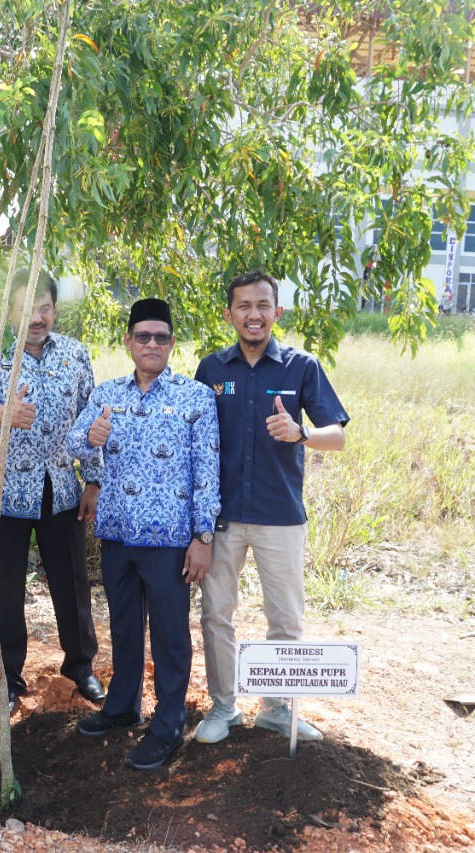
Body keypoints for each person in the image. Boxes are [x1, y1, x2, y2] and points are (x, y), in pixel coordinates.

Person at [192, 269, 349, 745]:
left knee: (285, 617)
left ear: (276, 312)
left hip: (279, 515)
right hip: (221, 517)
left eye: (263, 306)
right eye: (244, 306)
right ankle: (224, 707)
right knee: (217, 613)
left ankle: (277, 709)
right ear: (229, 315)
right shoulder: (211, 370)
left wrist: (303, 433)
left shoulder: (301, 367)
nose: (253, 315)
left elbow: (337, 436)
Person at [66, 298, 220, 771]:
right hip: (116, 534)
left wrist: (203, 537)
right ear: (129, 342)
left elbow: (207, 471)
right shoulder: (107, 395)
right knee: (125, 625)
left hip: (172, 540)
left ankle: (168, 722)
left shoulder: (195, 398)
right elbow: (73, 442)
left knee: (172, 634)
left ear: (172, 344)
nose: (152, 344)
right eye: (143, 336)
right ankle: (121, 707)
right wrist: (89, 438)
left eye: (161, 337)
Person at [0, 268, 104, 715]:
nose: (36, 318)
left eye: (44, 308)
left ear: (55, 310)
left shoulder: (75, 355)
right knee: (3, 589)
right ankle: (8, 677)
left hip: (60, 488)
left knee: (72, 582)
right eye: (25, 308)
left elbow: (89, 423)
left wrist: (92, 479)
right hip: (3, 494)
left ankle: (80, 667)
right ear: (9, 310)